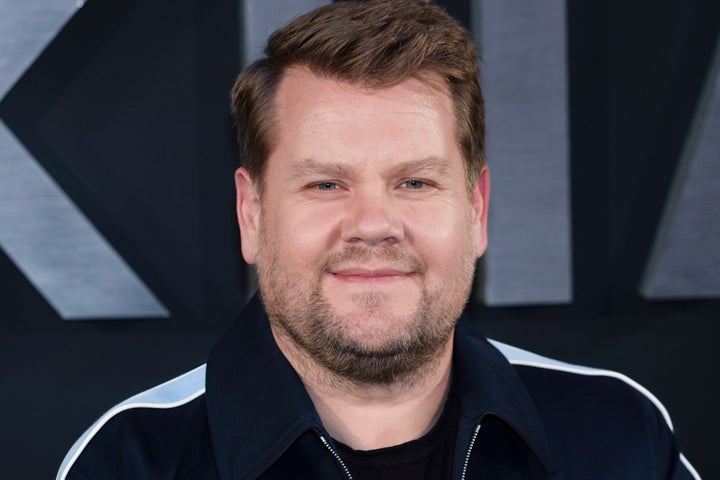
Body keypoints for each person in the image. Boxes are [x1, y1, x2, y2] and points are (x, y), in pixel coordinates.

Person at [57, 1, 700, 478]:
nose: (372, 224)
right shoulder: (129, 460)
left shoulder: (619, 434)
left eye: (415, 182)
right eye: (326, 185)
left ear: (476, 209)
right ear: (251, 214)